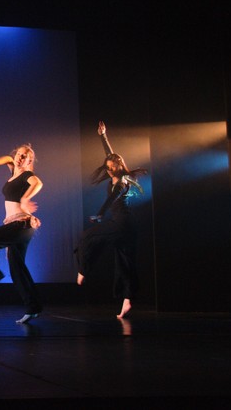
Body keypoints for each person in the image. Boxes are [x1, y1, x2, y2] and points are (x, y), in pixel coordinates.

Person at [75, 121, 146, 319]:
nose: (108, 169)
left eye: (111, 167)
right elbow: (110, 154)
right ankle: (127, 300)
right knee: (125, 262)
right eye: (107, 166)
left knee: (87, 237)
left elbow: (111, 199)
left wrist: (99, 214)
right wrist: (103, 136)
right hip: (129, 226)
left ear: (119, 166)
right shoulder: (116, 173)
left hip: (121, 224)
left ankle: (83, 270)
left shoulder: (121, 182)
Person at [0, 144, 43, 324]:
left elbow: (38, 183)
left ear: (29, 161)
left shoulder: (27, 175)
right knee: (17, 269)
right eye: (19, 154)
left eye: (25, 156)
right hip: (17, 226)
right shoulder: (14, 171)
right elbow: (8, 158)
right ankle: (33, 307)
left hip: (21, 224)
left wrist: (25, 198)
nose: (20, 158)